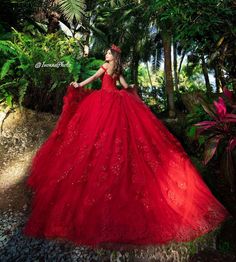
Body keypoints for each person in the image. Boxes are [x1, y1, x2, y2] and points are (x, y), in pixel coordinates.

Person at [23, 44, 230, 251]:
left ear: (114, 56)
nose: (105, 55)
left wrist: (129, 87)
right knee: (98, 135)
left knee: (116, 136)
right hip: (103, 103)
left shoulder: (113, 69)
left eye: (108, 53)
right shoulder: (105, 67)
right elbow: (94, 80)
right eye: (106, 53)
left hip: (112, 103)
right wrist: (79, 84)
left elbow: (123, 86)